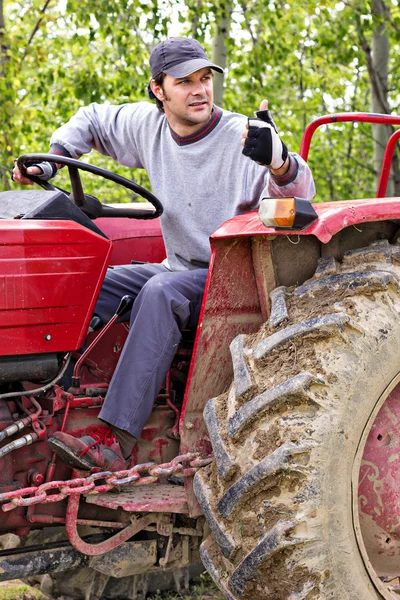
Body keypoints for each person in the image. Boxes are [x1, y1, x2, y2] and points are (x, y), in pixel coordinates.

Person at [12, 37, 315, 472]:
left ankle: (115, 439)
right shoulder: (148, 126)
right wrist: (56, 158)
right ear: (159, 90)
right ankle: (49, 397)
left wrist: (280, 161)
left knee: (160, 292)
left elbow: (302, 196)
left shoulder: (241, 137)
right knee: (90, 283)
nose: (199, 91)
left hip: (230, 272)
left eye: (205, 79)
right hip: (180, 265)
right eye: (185, 82)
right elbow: (94, 120)